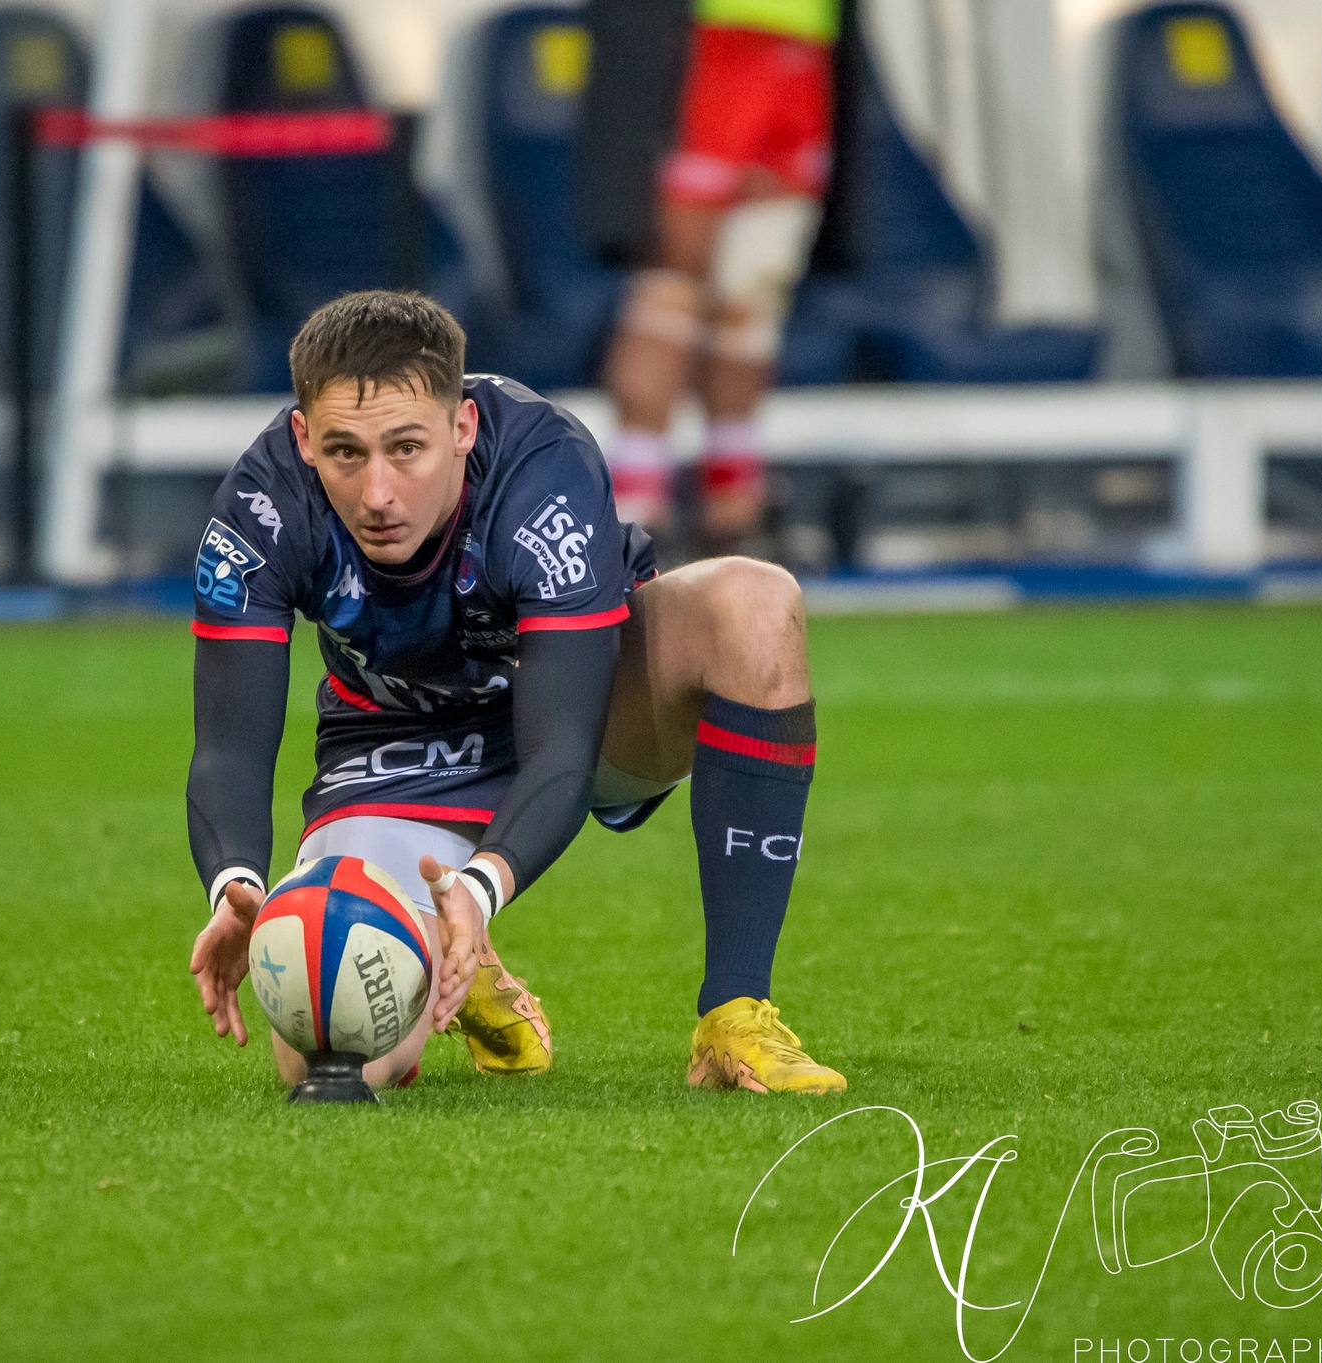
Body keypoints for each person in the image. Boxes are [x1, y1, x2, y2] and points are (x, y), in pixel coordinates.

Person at [187, 291, 844, 1095]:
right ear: (303, 439)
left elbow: (562, 750)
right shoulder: (260, 506)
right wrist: (237, 884)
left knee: (755, 603)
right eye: (345, 452)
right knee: (329, 1040)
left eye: (406, 448)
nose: (378, 492)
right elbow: (228, 748)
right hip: (398, 750)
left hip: (590, 706)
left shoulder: (543, 466)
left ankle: (733, 1015)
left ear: (462, 427)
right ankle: (466, 969)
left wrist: (476, 887)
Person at [599, 0, 836, 553]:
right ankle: (634, 514)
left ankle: (733, 513)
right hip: (711, 43)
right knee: (671, 289)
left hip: (805, 47)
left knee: (749, 298)